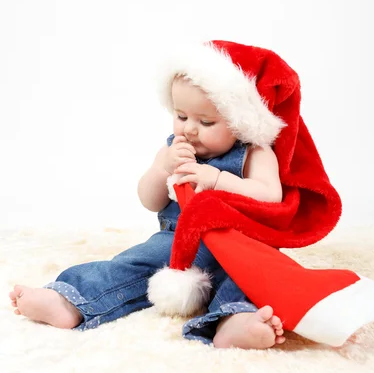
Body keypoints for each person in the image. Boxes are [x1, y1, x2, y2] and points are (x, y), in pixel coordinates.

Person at [9, 41, 289, 350]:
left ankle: (234, 321)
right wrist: (161, 169)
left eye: (206, 122)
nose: (190, 129)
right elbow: (150, 200)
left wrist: (219, 179)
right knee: (129, 265)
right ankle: (68, 301)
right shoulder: (173, 151)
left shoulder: (255, 153)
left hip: (239, 246)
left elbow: (269, 195)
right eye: (181, 116)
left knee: (252, 280)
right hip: (175, 243)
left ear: (241, 121)